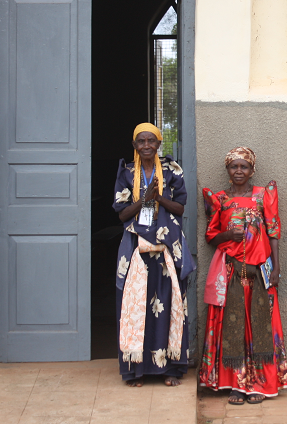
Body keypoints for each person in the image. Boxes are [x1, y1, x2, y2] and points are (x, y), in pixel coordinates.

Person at [199, 147, 287, 404]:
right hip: (230, 273)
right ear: (227, 170)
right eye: (234, 167)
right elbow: (210, 237)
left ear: (252, 170)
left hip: (260, 272)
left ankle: (260, 384)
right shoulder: (219, 199)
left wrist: (276, 267)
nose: (239, 171)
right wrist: (228, 236)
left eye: (244, 167)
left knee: (260, 327)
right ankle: (236, 385)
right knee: (234, 326)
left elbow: (273, 231)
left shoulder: (264, 196)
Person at [113, 123, 194, 387]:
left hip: (166, 251)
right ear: (134, 145)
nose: (146, 145)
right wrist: (143, 200)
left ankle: (170, 369)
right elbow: (123, 214)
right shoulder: (127, 173)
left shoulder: (172, 171)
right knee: (135, 308)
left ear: (159, 144)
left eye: (151, 141)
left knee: (169, 307)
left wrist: (157, 197)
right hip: (136, 250)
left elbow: (180, 208)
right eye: (141, 141)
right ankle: (136, 371)